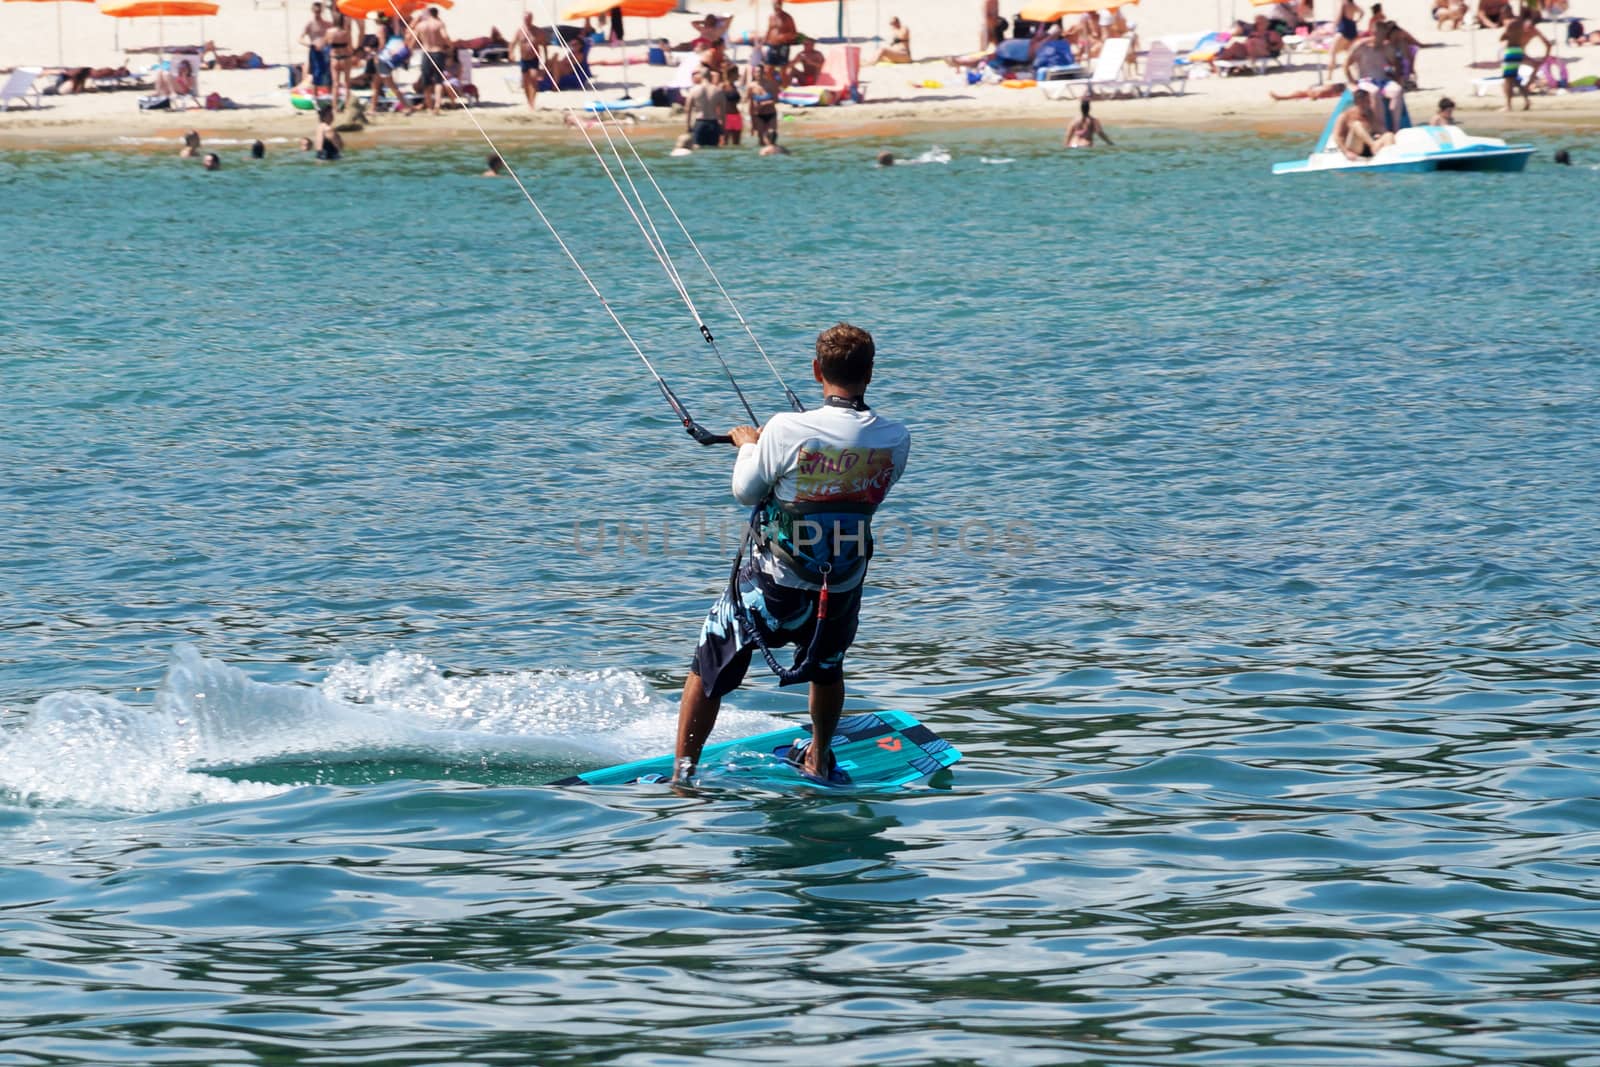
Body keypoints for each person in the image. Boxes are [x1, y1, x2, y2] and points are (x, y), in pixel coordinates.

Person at [672, 323, 911, 785]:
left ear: (817, 369)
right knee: (827, 667)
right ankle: (819, 758)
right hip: (840, 584)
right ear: (871, 373)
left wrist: (749, 446)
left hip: (773, 584)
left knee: (708, 663)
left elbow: (745, 492)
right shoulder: (895, 438)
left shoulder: (784, 429)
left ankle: (685, 776)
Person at [1501, 6, 1551, 111]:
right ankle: (1526, 100)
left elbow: (1503, 38)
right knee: (1512, 79)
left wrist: (1543, 60)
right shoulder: (1518, 24)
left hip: (1512, 52)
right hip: (1519, 53)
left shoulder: (1512, 24)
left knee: (1507, 79)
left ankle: (1508, 105)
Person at [408, 6, 451, 115]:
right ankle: (437, 106)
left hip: (426, 53)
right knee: (438, 81)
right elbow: (445, 36)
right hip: (438, 52)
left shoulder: (420, 25)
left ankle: (429, 106)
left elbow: (413, 41)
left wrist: (409, 52)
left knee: (426, 81)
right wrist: (450, 46)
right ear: (437, 14)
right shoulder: (439, 24)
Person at [1333, 87, 1394, 159]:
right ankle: (1373, 145)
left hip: (1368, 148)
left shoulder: (1370, 113)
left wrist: (1382, 135)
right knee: (1357, 124)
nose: (1368, 104)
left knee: (1388, 135)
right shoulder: (1345, 116)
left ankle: (1390, 160)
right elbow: (1337, 137)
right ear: (1357, 102)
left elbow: (1379, 128)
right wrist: (1346, 152)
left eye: (1368, 101)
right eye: (1365, 101)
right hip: (1354, 148)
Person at [372, 24, 411, 113]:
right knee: (376, 85)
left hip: (383, 60)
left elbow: (382, 44)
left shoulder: (381, 28)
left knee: (391, 86)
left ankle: (405, 107)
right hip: (385, 60)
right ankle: (372, 108)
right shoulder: (391, 31)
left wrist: (376, 54)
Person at [684, 65, 726, 148]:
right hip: (713, 123)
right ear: (710, 76)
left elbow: (688, 109)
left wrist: (688, 126)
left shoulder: (693, 90)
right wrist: (722, 127)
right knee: (713, 150)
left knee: (697, 149)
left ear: (701, 76)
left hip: (700, 122)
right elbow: (723, 111)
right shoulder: (718, 90)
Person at [1325, 0, 1363, 81]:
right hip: (1353, 29)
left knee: (1332, 52)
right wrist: (1357, 20)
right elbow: (1362, 12)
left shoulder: (1343, 3)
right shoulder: (1353, 4)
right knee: (1352, 55)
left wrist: (1333, 26)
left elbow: (1338, 17)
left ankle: (1329, 77)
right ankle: (1359, 74)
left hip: (1344, 29)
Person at [513, 13, 544, 110]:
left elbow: (544, 45)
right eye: (525, 19)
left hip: (534, 59)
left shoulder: (537, 31)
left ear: (532, 19)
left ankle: (532, 102)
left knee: (534, 79)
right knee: (525, 82)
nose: (527, 20)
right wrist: (511, 53)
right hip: (524, 60)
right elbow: (513, 42)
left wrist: (546, 59)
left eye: (529, 19)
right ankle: (529, 101)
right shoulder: (520, 31)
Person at [299, 2, 332, 93]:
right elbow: (300, 39)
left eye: (319, 11)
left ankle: (329, 93)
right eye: (316, 11)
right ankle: (315, 94)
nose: (317, 13)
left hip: (325, 50)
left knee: (329, 72)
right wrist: (310, 45)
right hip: (315, 51)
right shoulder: (310, 24)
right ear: (312, 11)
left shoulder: (327, 24)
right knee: (315, 73)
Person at [748, 62, 781, 149]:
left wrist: (764, 103)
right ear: (754, 73)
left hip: (771, 114)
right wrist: (752, 122)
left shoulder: (770, 84)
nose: (758, 74)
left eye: (760, 72)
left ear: (764, 73)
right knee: (761, 140)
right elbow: (751, 105)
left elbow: (776, 100)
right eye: (756, 72)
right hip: (759, 116)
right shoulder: (751, 87)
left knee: (772, 136)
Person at [326, 12, 353, 106]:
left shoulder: (329, 32)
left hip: (334, 58)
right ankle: (347, 105)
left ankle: (334, 106)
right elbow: (350, 46)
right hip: (345, 58)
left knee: (335, 84)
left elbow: (326, 43)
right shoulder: (345, 32)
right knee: (347, 83)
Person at [763, 0, 797, 71]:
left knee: (782, 70)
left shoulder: (787, 17)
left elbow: (794, 33)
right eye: (774, 4)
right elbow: (769, 29)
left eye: (777, 4)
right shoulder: (771, 16)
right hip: (772, 45)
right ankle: (777, 82)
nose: (776, 6)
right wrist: (765, 39)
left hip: (783, 46)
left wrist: (784, 36)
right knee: (767, 70)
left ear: (781, 4)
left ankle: (784, 82)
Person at [1271, 80, 1347, 101]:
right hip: (1316, 91)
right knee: (1300, 93)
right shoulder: (1330, 89)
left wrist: (1310, 91)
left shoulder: (1329, 90)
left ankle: (1281, 97)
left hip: (1315, 92)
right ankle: (1282, 97)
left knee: (1300, 93)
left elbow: (1314, 97)